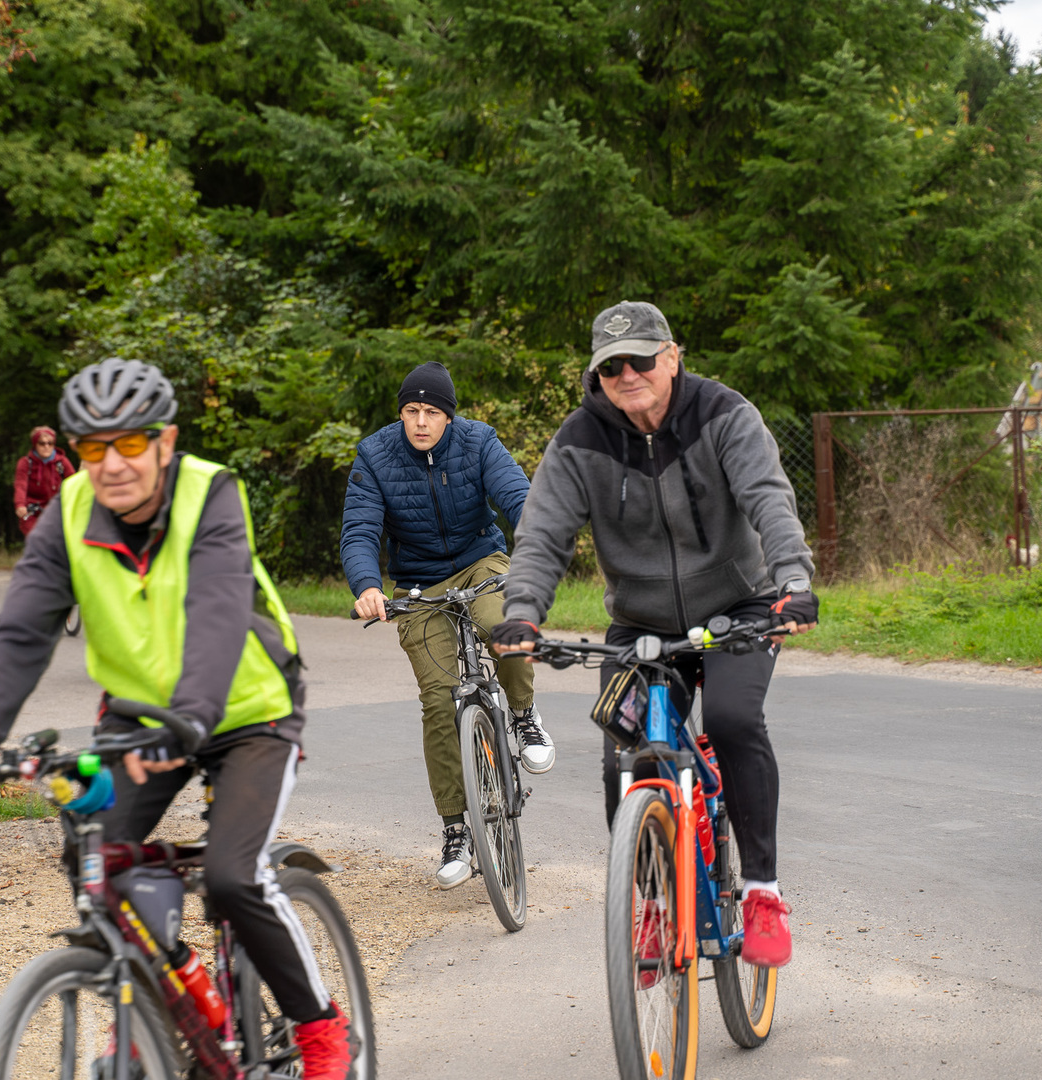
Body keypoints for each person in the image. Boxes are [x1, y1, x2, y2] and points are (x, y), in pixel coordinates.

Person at [0, 358, 354, 1079]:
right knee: (93, 857)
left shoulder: (210, 493)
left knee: (231, 877)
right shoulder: (69, 511)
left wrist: (189, 717)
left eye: (131, 443)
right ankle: (156, 997)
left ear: (166, 442)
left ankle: (320, 1029)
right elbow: (22, 630)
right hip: (138, 722)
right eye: (94, 448)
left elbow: (217, 611)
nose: (113, 463)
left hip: (248, 713)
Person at [490, 301, 817, 969]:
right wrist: (523, 612)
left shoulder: (724, 413)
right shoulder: (580, 439)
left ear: (671, 357)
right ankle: (654, 902)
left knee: (731, 719)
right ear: (597, 376)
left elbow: (768, 499)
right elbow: (543, 534)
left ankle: (761, 891)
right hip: (640, 623)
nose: (627, 374)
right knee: (627, 749)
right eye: (610, 366)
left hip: (740, 606)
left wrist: (792, 581)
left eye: (640, 359)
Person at [340, 361, 551, 889]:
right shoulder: (374, 456)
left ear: (448, 417)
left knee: (503, 626)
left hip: (481, 562)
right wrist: (367, 585)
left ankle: (523, 714)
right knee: (438, 701)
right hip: (418, 585)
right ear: (401, 414)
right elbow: (360, 529)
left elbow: (518, 496)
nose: (420, 422)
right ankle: (457, 828)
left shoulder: (479, 442)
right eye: (411, 411)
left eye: (431, 412)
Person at [13, 425, 74, 537]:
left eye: (50, 443)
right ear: (35, 445)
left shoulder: (62, 462)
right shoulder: (26, 463)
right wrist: (20, 504)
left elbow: (74, 484)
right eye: (42, 443)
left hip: (57, 509)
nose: (46, 446)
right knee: (37, 539)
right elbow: (21, 485)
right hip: (33, 511)